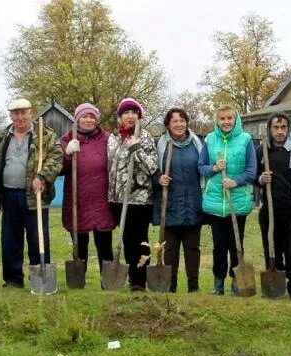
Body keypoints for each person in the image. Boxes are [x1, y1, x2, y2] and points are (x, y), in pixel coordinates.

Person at [0, 98, 62, 288]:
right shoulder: (2, 137)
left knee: (37, 237)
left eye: (24, 112)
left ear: (31, 113)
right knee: (10, 239)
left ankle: (39, 277)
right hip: (9, 195)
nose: (20, 117)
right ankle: (13, 278)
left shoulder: (45, 135)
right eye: (16, 113)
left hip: (35, 195)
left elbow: (56, 158)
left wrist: (42, 176)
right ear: (11, 116)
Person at [198, 105, 257, 295]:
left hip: (237, 202)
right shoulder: (209, 139)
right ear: (217, 121)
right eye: (222, 118)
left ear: (236, 119)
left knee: (236, 245)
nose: (226, 122)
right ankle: (218, 284)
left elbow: (251, 170)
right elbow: (201, 167)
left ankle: (236, 283)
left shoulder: (246, 140)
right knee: (219, 246)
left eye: (229, 118)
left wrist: (236, 181)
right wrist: (215, 168)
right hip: (216, 202)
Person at [108, 98, 158, 291]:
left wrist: (136, 149)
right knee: (127, 240)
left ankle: (140, 280)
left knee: (140, 240)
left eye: (134, 112)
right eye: (126, 113)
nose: (130, 116)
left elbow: (152, 167)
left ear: (139, 116)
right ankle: (131, 278)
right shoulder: (114, 138)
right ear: (120, 117)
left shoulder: (145, 137)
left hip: (139, 199)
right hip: (118, 198)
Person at [153, 107, 204, 293]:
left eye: (182, 120)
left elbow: (204, 169)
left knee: (192, 249)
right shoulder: (160, 145)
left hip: (193, 203)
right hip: (169, 203)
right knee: (170, 250)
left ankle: (193, 286)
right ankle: (170, 286)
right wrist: (159, 178)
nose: (179, 124)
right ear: (168, 124)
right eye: (175, 121)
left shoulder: (197, 144)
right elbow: (151, 169)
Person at [255, 112, 291, 300]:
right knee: (272, 248)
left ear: (288, 129)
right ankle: (275, 283)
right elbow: (253, 175)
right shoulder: (262, 151)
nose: (279, 131)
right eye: (276, 128)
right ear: (270, 129)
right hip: (269, 209)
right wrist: (261, 179)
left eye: (283, 127)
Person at [60, 103, 114, 273]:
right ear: (77, 119)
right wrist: (67, 155)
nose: (88, 120)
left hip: (101, 199)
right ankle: (79, 279)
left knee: (105, 244)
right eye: (84, 116)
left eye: (92, 116)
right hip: (78, 199)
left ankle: (108, 281)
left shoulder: (107, 139)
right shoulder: (67, 140)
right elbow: (58, 169)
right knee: (79, 242)